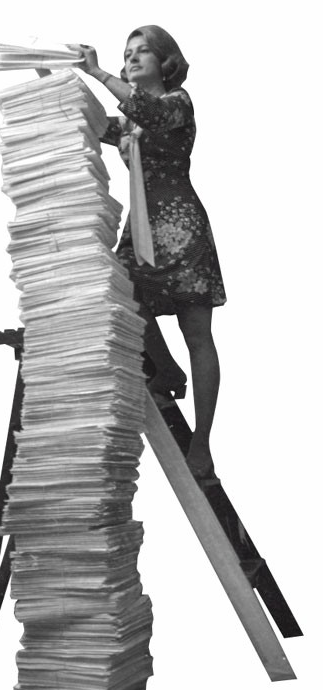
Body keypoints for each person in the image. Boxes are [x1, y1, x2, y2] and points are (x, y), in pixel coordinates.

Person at [60, 27, 227, 482]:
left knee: (197, 333)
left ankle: (202, 444)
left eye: (142, 53)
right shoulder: (132, 117)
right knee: (117, 293)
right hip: (142, 229)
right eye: (127, 54)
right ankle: (167, 369)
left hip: (180, 226)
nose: (131, 59)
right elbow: (97, 125)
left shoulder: (176, 102)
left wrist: (98, 73)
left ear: (165, 60)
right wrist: (59, 85)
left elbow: (147, 113)